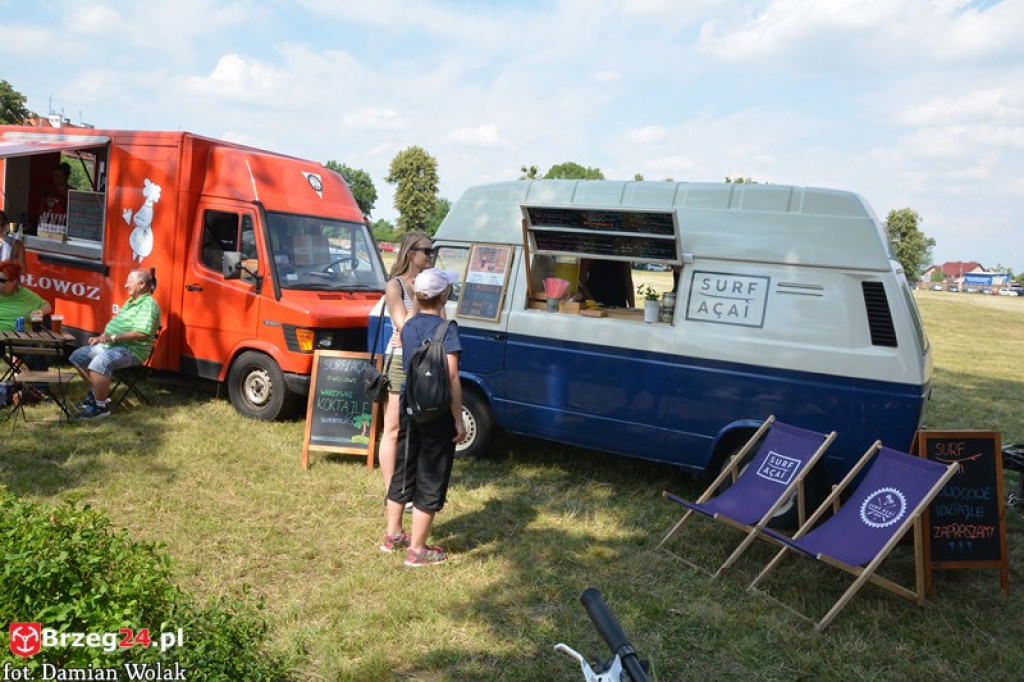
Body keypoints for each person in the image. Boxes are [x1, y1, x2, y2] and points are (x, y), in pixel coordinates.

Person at [381, 268, 467, 567]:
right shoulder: (448, 329)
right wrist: (458, 419)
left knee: (404, 469)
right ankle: (417, 550)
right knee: (430, 475)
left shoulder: (408, 325)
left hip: (409, 406)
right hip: (437, 412)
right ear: (444, 295)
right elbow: (452, 375)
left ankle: (393, 535)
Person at [379, 232, 436, 501]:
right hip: (402, 360)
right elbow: (405, 327)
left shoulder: (432, 284)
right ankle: (393, 490)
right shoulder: (395, 286)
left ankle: (410, 484)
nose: (431, 256)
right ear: (410, 253)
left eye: (432, 251)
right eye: (426, 251)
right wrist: (417, 299)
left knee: (418, 426)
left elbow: (440, 323)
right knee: (393, 427)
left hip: (425, 361)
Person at [69, 268, 161, 419]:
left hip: (130, 350)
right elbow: (119, 325)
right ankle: (96, 394)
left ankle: (100, 408)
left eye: (130, 282)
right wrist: (101, 337)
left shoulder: (148, 305)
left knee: (100, 361)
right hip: (113, 345)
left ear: (142, 284)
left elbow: (141, 333)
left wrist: (112, 337)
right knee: (77, 356)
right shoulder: (131, 301)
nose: (126, 285)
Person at [0, 259, 51, 331]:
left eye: (1, 280)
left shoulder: (25, 294)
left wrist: (39, 312)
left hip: (21, 339)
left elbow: (47, 306)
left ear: (13, 282)